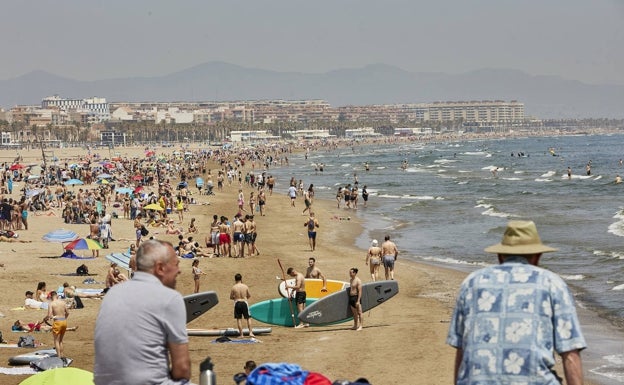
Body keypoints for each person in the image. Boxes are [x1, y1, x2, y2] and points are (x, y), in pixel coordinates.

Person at [446, 220, 586, 385]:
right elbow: (570, 353)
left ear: (500, 256)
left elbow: (461, 349)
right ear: (537, 257)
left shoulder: (472, 282)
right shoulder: (552, 284)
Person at [94, 240, 190, 385]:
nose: (179, 270)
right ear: (160, 268)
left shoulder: (112, 294)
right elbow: (182, 369)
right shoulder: (169, 298)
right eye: (176, 264)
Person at [230, 273, 255, 338]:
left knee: (239, 319)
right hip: (244, 302)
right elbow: (249, 295)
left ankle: (241, 334)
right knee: (248, 318)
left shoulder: (233, 287)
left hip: (237, 303)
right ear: (241, 279)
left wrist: (235, 298)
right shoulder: (245, 286)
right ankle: (251, 333)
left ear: (235, 279)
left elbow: (231, 297)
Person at [47, 291, 69, 361]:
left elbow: (49, 315)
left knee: (56, 341)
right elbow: (68, 312)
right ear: (57, 295)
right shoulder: (63, 302)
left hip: (57, 322)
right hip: (64, 321)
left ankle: (59, 357)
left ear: (51, 297)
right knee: (61, 340)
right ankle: (62, 355)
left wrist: (48, 317)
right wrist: (64, 318)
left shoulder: (51, 304)